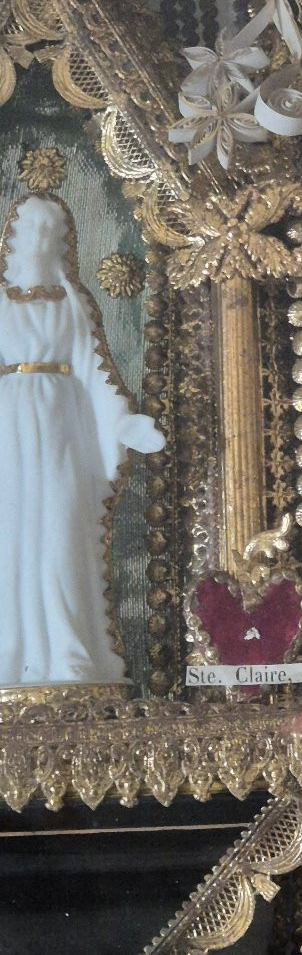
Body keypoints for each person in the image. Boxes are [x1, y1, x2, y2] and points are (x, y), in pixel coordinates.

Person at [0, 194, 164, 686]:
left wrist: (124, 425)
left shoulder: (75, 302)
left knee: (62, 528)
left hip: (63, 427)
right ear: (13, 239)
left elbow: (97, 374)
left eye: (51, 233)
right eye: (32, 232)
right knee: (10, 535)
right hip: (7, 427)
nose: (40, 241)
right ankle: (12, 651)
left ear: (63, 243)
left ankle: (71, 648)